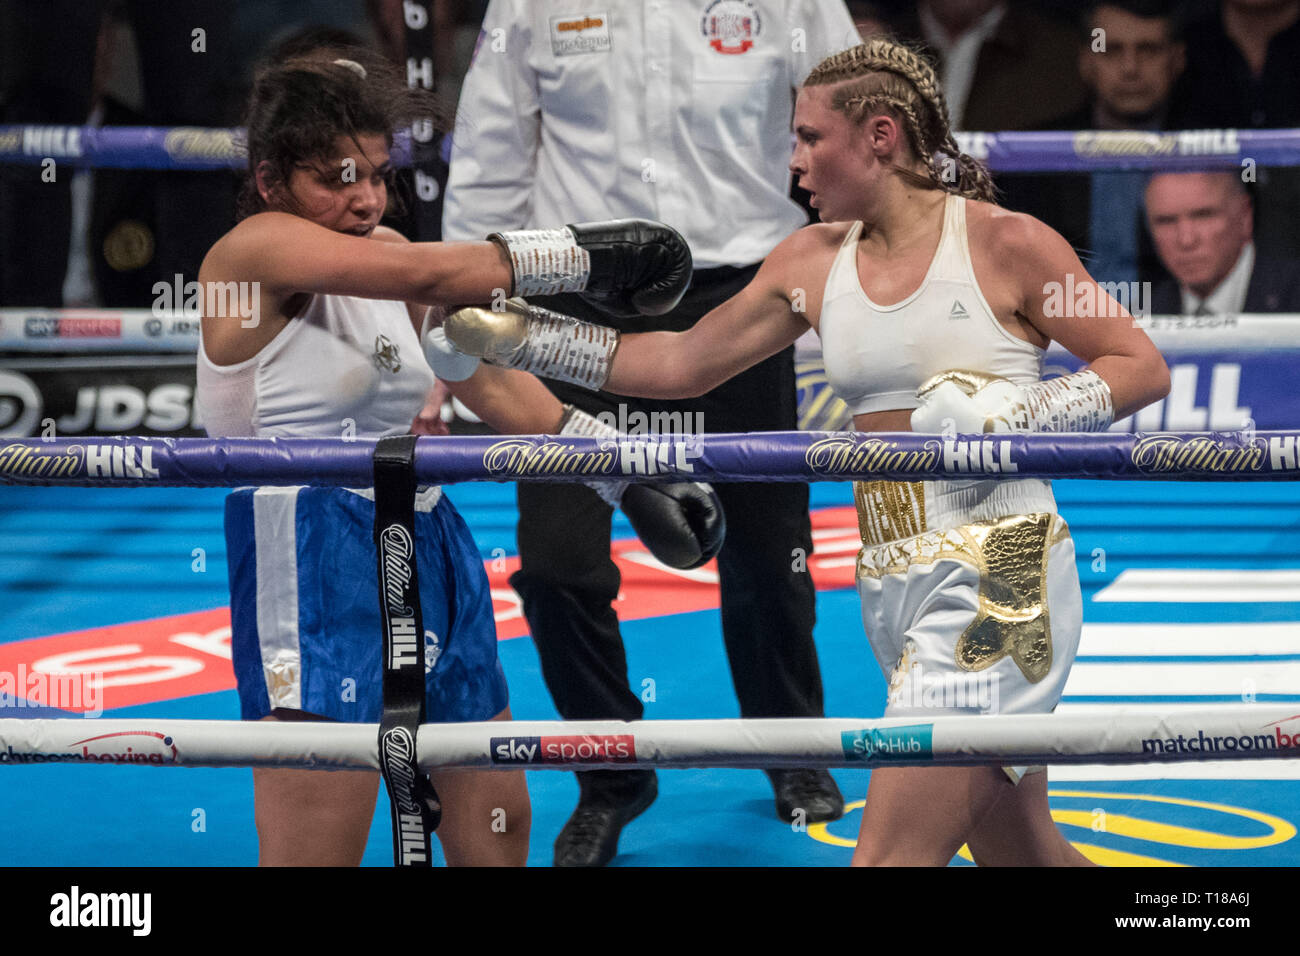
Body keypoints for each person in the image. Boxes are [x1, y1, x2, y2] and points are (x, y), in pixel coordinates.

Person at [445, 37, 1172, 866]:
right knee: (1020, 849)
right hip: (891, 567)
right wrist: (530, 337)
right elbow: (678, 365)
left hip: (1002, 563)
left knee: (886, 858)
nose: (794, 165)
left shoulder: (1008, 243)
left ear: (881, 136)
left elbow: (1138, 364)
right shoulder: (812, 262)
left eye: (809, 139)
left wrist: (1021, 415)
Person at [194, 47, 714, 866]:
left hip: (431, 532)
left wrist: (625, 471)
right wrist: (587, 256)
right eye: (337, 178)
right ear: (270, 182)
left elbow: (491, 387)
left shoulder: (393, 255)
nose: (365, 197)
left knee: (495, 818)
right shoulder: (250, 253)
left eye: (375, 174)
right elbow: (436, 267)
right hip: (308, 542)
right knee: (315, 846)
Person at [442, 0, 861, 867]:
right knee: (556, 562)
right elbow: (488, 153)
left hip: (744, 292)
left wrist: (866, 274)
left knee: (770, 552)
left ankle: (790, 747)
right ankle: (611, 772)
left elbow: (853, 115)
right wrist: (460, 321)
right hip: (563, 300)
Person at [1145, 170, 1300, 314]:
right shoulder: (1137, 319)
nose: (1186, 240)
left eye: (1203, 216)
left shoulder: (1293, 299)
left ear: (1245, 216)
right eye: (1166, 221)